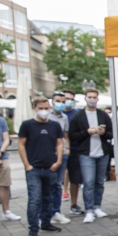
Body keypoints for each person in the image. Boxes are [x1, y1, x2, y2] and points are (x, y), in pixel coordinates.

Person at [18, 97, 64, 236]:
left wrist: (58, 161)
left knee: (48, 197)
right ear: (35, 108)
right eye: (41, 108)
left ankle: (46, 222)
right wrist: (27, 165)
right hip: (34, 169)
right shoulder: (27, 125)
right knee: (35, 199)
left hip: (50, 167)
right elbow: (21, 144)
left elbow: (59, 144)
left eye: (46, 108)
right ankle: (33, 228)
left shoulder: (55, 126)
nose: (44, 111)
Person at [69, 88, 113, 223]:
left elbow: (111, 134)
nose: (92, 99)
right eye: (90, 97)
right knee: (88, 182)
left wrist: (103, 133)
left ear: (98, 99)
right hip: (86, 154)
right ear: (85, 98)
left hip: (102, 153)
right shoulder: (79, 116)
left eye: (94, 97)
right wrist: (87, 132)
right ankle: (88, 210)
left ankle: (97, 207)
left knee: (99, 182)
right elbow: (72, 135)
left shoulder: (103, 115)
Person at [0, 96, 22, 225]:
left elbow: (6, 139)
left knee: (5, 185)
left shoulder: (1, 121)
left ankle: (6, 212)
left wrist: (0, 153)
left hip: (3, 157)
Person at [48, 93, 72, 224]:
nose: (61, 103)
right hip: (48, 154)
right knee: (48, 185)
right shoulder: (47, 115)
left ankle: (55, 211)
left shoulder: (64, 117)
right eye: (58, 101)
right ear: (52, 102)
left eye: (63, 101)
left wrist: (67, 149)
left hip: (62, 153)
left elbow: (65, 135)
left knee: (58, 184)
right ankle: (46, 213)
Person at [62, 90, 83, 215]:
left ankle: (73, 204)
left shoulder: (77, 114)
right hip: (57, 152)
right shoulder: (54, 115)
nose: (67, 101)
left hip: (75, 150)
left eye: (70, 98)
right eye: (65, 99)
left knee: (75, 179)